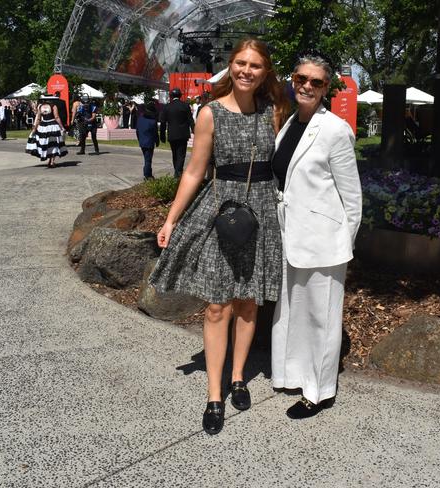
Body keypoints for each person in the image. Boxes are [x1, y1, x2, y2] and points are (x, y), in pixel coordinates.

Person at [148, 38, 288, 435]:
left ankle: (239, 376)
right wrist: (171, 219)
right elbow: (194, 171)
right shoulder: (210, 113)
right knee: (217, 306)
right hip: (220, 211)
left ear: (265, 72)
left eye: (255, 65)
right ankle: (214, 394)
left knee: (247, 302)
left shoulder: (273, 112)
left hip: (261, 212)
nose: (246, 70)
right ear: (231, 67)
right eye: (240, 63)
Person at [271, 54, 362, 419]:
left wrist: (344, 243)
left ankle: (319, 391)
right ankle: (293, 374)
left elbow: (352, 197)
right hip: (289, 234)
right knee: (292, 311)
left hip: (325, 241)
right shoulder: (289, 123)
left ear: (327, 88)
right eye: (301, 78)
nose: (306, 85)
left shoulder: (336, 130)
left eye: (317, 82)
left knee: (321, 318)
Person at [159, 87, 194, 177]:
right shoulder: (185, 106)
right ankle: (178, 172)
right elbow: (191, 120)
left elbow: (163, 122)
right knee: (181, 154)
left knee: (174, 154)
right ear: (180, 96)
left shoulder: (167, 107)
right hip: (183, 134)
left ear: (171, 96)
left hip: (172, 134)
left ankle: (177, 171)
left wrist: (162, 136)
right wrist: (194, 131)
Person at [25, 97, 68, 168]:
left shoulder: (40, 106)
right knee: (54, 144)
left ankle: (50, 160)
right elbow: (56, 117)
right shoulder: (53, 106)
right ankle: (52, 161)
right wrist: (62, 127)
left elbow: (38, 118)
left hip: (43, 127)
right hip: (52, 126)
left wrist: (35, 128)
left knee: (46, 143)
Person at [136, 102, 160, 180]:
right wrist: (157, 141)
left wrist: (139, 139)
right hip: (149, 143)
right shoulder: (153, 122)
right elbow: (155, 133)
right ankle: (147, 175)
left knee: (146, 158)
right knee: (148, 160)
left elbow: (137, 131)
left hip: (142, 141)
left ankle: (148, 173)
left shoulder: (140, 119)